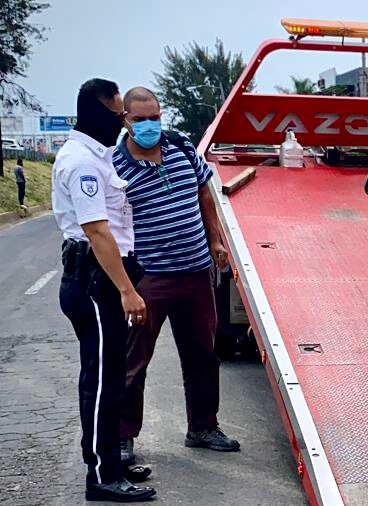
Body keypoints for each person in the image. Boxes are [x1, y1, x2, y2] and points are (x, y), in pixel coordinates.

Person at [113, 87, 239, 466]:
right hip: (150, 277)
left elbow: (204, 193)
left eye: (154, 118)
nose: (149, 126)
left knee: (203, 355)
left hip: (197, 272)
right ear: (125, 120)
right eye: (140, 120)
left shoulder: (181, 146)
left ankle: (203, 427)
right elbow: (111, 225)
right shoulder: (115, 167)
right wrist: (125, 286)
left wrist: (215, 240)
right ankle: (122, 436)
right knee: (133, 360)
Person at [52, 78, 156, 502]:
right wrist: (127, 290)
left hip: (100, 279)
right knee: (100, 380)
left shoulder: (100, 156)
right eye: (119, 114)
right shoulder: (83, 163)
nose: (124, 123)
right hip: (96, 282)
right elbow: (97, 232)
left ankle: (108, 457)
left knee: (110, 375)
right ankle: (102, 475)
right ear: (100, 113)